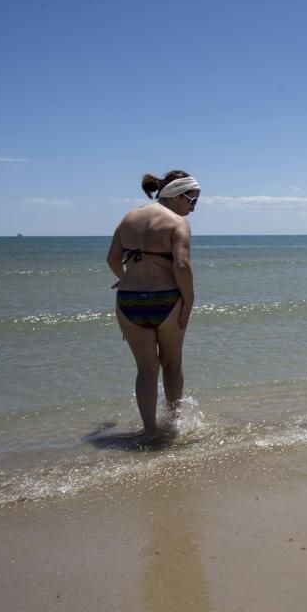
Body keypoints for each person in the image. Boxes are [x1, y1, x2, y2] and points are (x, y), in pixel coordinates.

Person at [107, 170, 199, 436]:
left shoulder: (129, 218)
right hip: (167, 299)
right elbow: (181, 264)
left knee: (146, 369)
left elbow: (112, 259)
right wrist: (189, 300)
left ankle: (149, 430)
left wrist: (124, 279)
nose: (192, 209)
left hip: (129, 301)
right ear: (179, 195)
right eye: (192, 201)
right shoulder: (177, 223)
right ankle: (173, 424)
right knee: (171, 364)